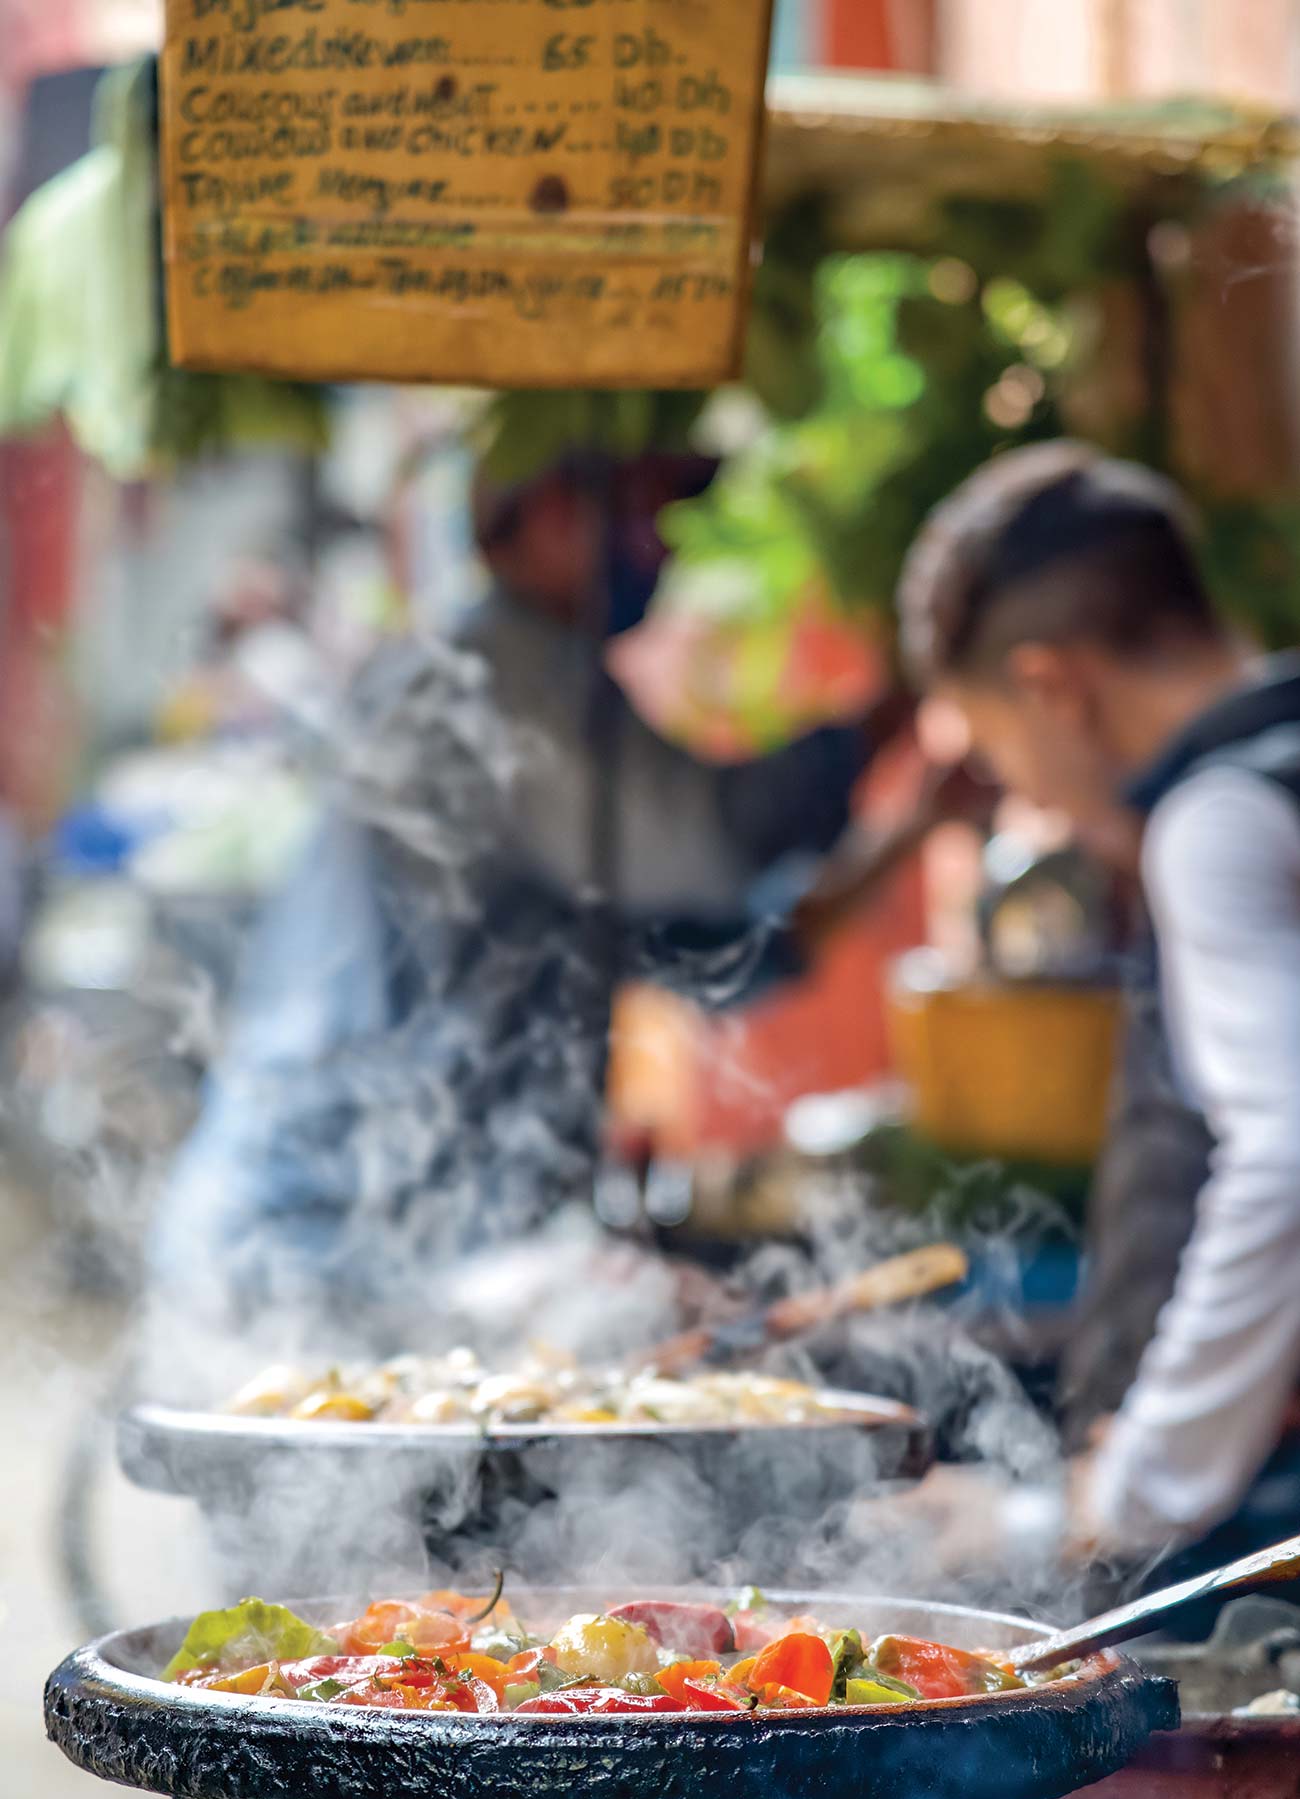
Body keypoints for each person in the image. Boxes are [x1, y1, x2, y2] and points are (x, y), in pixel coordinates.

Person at [149, 451, 944, 1338]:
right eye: (644, 511)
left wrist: (910, 827)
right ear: (551, 510)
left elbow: (716, 957)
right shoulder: (493, 678)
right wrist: (889, 715)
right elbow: (716, 844)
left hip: (413, 1243)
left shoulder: (545, 708)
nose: (662, 549)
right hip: (328, 1238)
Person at [897, 437, 1300, 1561]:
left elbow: (1285, 1153)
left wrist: (1129, 1490)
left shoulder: (1217, 821)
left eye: (994, 750)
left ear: (1050, 685)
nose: (1022, 797)